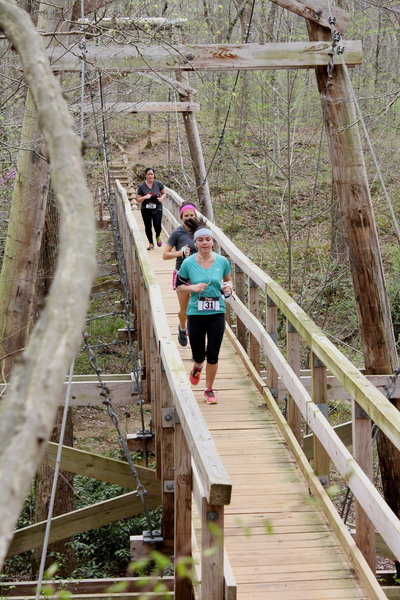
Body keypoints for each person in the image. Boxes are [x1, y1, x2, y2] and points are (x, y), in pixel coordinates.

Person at [176, 227, 233, 404]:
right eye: (201, 240)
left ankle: (209, 390)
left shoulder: (222, 261)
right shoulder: (188, 263)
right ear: (195, 243)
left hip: (217, 312)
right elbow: (179, 286)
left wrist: (228, 287)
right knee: (199, 354)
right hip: (196, 313)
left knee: (213, 353)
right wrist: (192, 288)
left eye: (208, 239)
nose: (205, 243)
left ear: (212, 242)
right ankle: (198, 366)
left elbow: (228, 280)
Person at [162, 203, 203, 347]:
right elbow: (165, 255)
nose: (189, 218)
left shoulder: (200, 232)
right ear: (181, 217)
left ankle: (196, 344)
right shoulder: (177, 233)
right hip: (182, 274)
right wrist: (180, 253)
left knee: (196, 310)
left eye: (192, 215)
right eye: (186, 215)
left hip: (199, 274)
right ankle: (182, 327)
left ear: (195, 215)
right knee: (184, 310)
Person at [136, 167, 167, 250]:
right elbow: (138, 199)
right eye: (148, 174)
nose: (150, 176)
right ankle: (151, 243)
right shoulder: (141, 186)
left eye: (151, 174)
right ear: (145, 175)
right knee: (148, 226)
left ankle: (157, 236)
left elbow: (164, 193)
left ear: (154, 175)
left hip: (157, 207)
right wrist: (145, 197)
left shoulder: (158, 183)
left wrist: (162, 198)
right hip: (145, 209)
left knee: (157, 224)